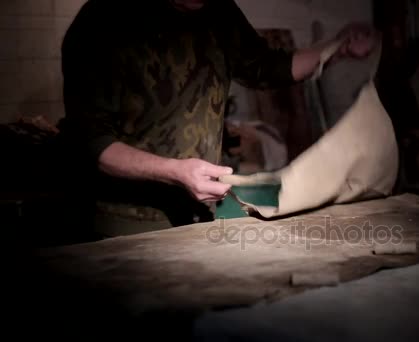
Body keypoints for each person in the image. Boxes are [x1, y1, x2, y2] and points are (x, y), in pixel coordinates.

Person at [59, 0, 378, 238]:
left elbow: (266, 67)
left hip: (198, 213)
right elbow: (90, 142)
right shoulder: (103, 21)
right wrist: (175, 172)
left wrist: (337, 48)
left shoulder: (218, 11)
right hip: (125, 219)